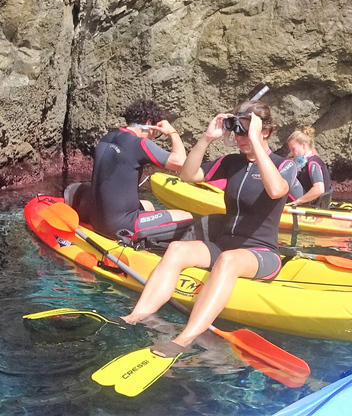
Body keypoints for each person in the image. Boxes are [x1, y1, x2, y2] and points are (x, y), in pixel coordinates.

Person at [118, 99, 296, 357]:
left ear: (265, 131)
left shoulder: (284, 165)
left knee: (227, 259)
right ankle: (136, 316)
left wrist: (256, 142)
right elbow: (188, 176)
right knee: (178, 249)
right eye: (237, 130)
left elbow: (277, 190)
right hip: (226, 245)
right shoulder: (231, 163)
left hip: (261, 253)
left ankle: (184, 339)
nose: (240, 137)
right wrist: (206, 139)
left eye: (246, 130)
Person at [84, 99, 193, 243]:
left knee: (148, 205)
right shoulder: (139, 144)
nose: (153, 136)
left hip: (97, 220)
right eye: (155, 132)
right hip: (120, 226)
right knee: (187, 216)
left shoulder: (108, 137)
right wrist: (173, 133)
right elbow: (181, 162)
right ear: (148, 123)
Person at [286, 126, 331, 205]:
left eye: (293, 149)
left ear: (303, 145)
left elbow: (319, 189)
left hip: (313, 206)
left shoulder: (312, 163)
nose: (291, 153)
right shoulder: (312, 159)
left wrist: (298, 201)